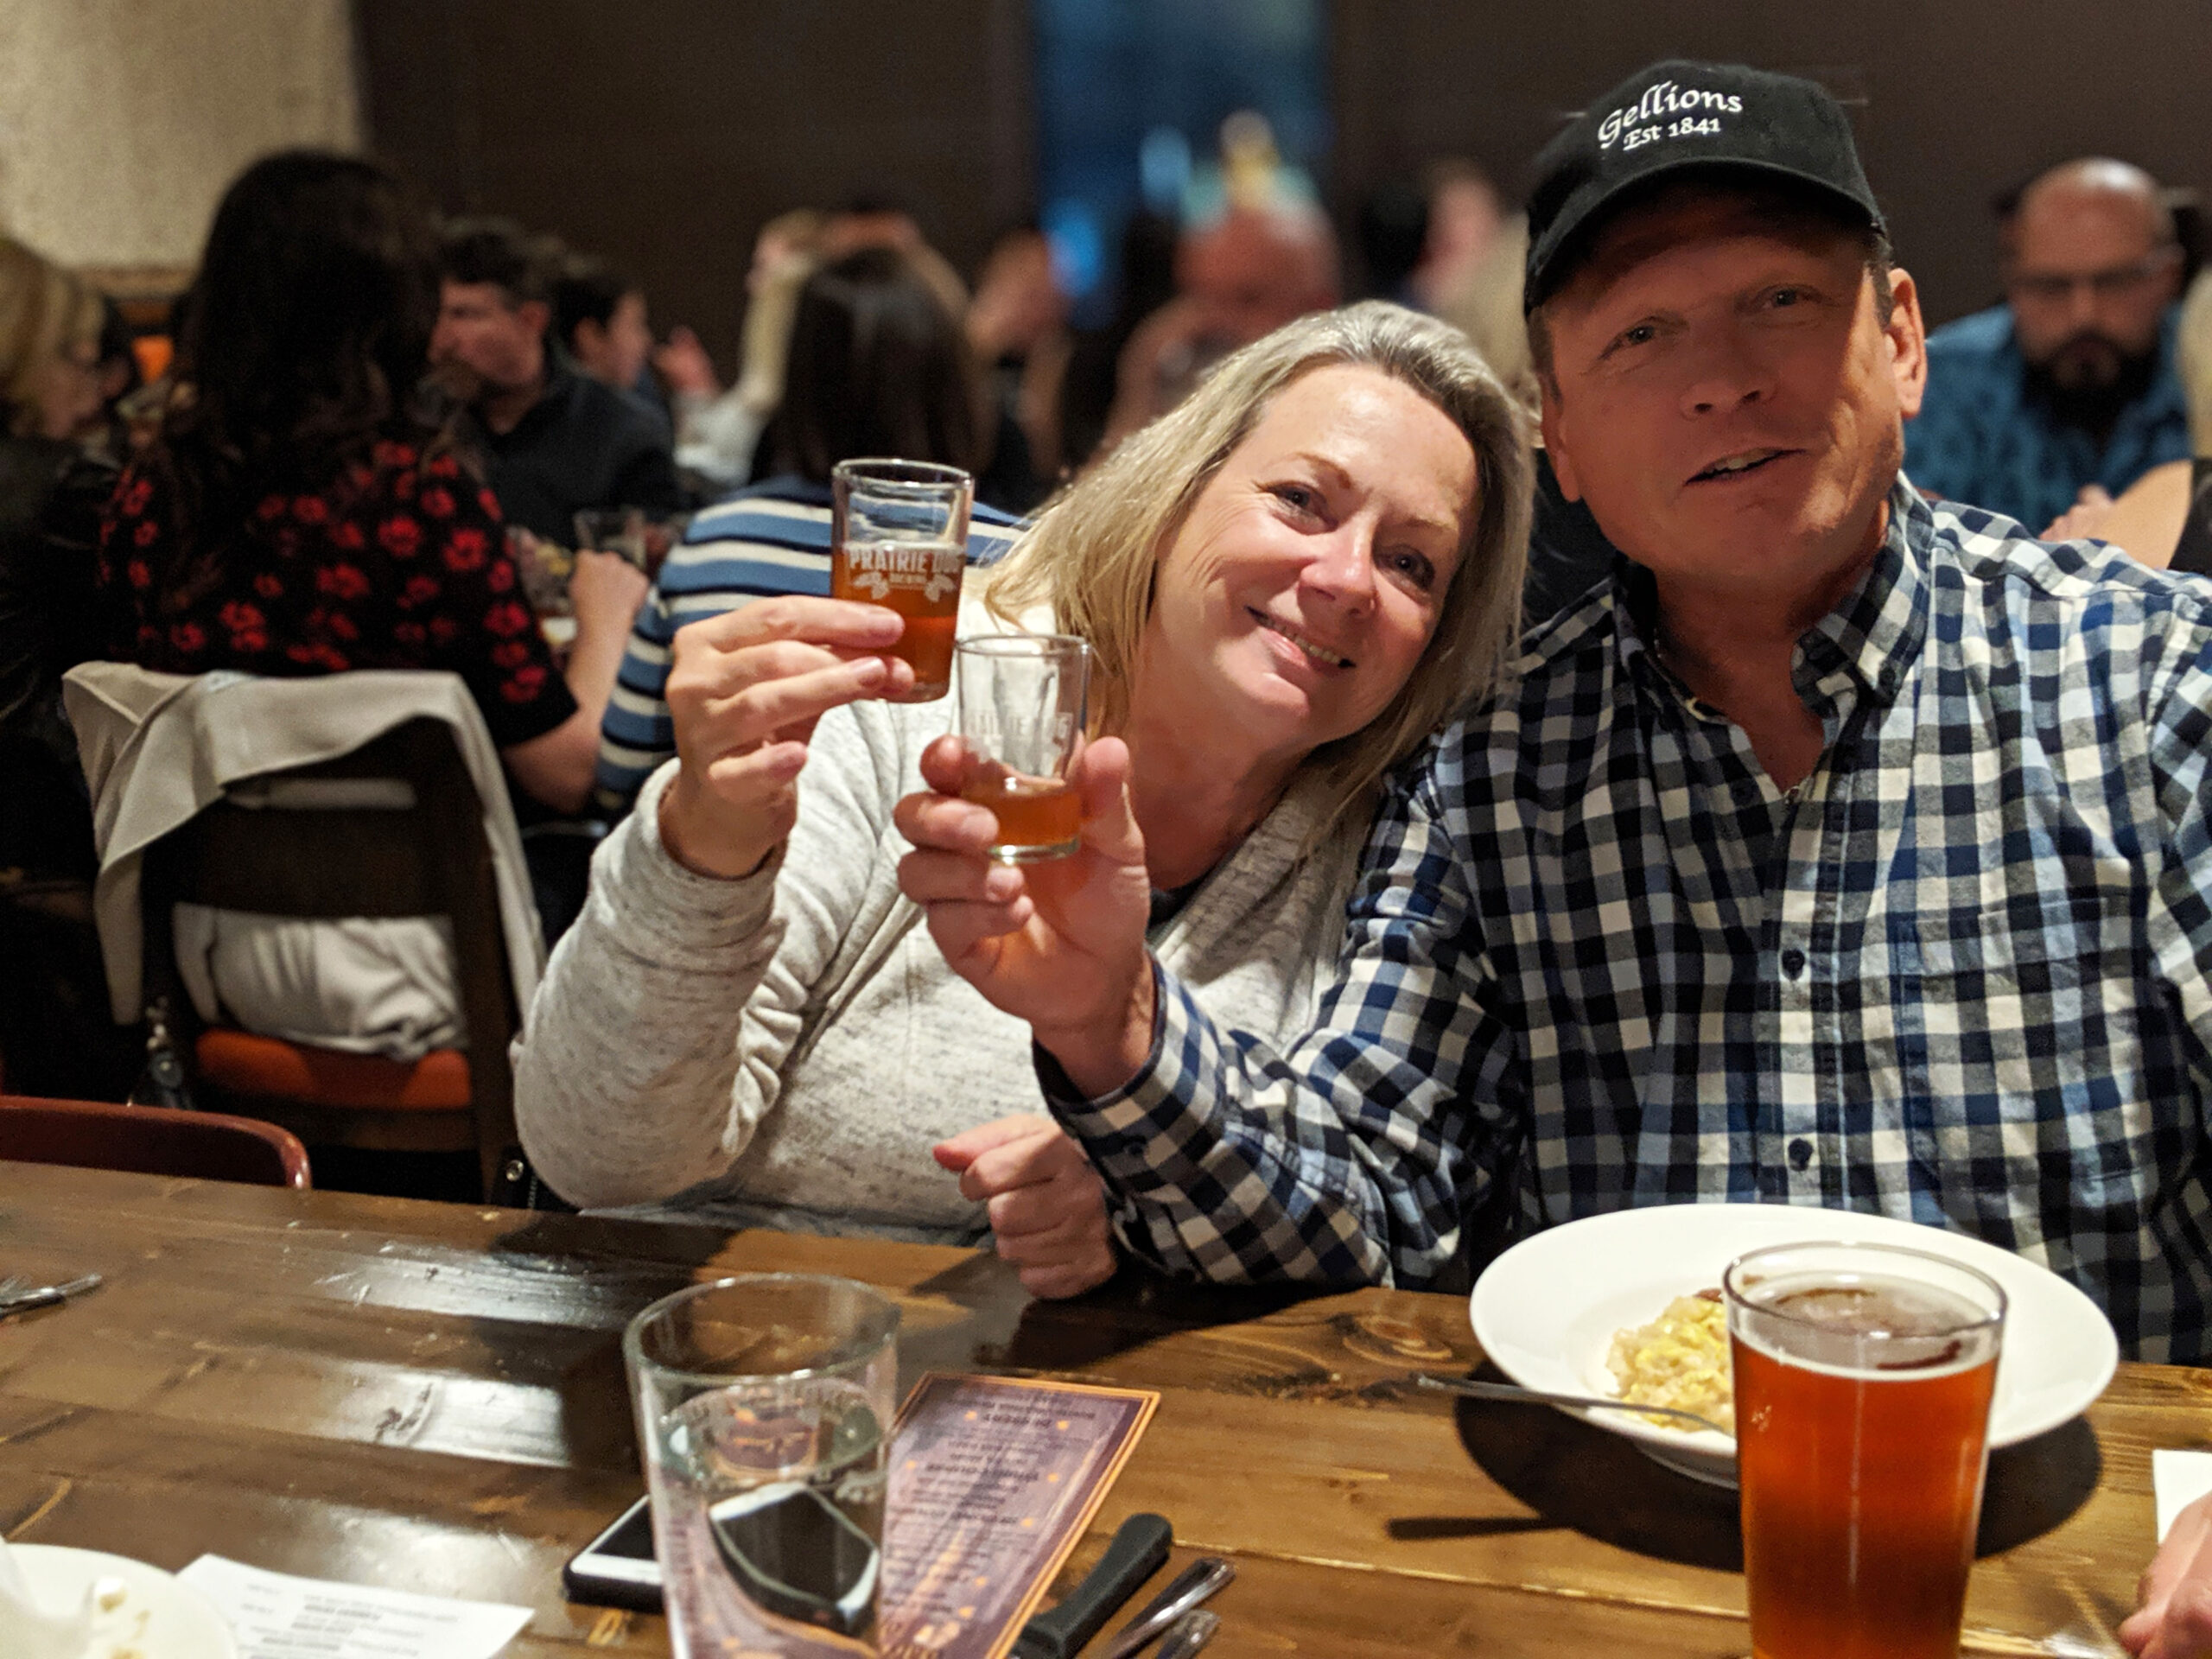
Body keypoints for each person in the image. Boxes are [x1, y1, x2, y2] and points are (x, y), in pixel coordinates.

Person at [512, 301, 1530, 1297]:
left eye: (1411, 563)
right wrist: (702, 847)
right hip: (701, 1344)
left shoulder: (1400, 838)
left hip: (1073, 1410)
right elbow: (597, 1157)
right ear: (1177, 492)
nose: (1348, 577)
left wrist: (1136, 1202)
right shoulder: (909, 704)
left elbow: (1368, 1222)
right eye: (1301, 500)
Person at [94, 152, 643, 820]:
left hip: (199, 908)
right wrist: (606, 618)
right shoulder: (417, 499)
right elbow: (563, 772)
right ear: (395, 307)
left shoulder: (149, 489)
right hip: (411, 916)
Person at [594, 245, 1020, 810]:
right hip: (947, 866)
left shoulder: (711, 540)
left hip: (735, 859)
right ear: (955, 385)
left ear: (799, 382)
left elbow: (620, 770)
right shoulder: (1024, 559)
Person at [1906, 158, 2190, 531]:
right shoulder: (1942, 378)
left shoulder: (2201, 370)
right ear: (2013, 285)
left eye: (2112, 282)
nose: (2082, 315)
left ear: (2168, 277)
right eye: (2051, 287)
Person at [431, 217, 685, 543]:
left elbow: (659, 555)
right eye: (438, 315)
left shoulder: (624, 433)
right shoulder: (423, 421)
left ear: (531, 319)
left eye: (464, 315)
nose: (442, 338)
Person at [552, 253, 661, 418]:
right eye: (635, 326)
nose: (647, 342)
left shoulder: (641, 390)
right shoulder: (560, 417)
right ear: (589, 336)